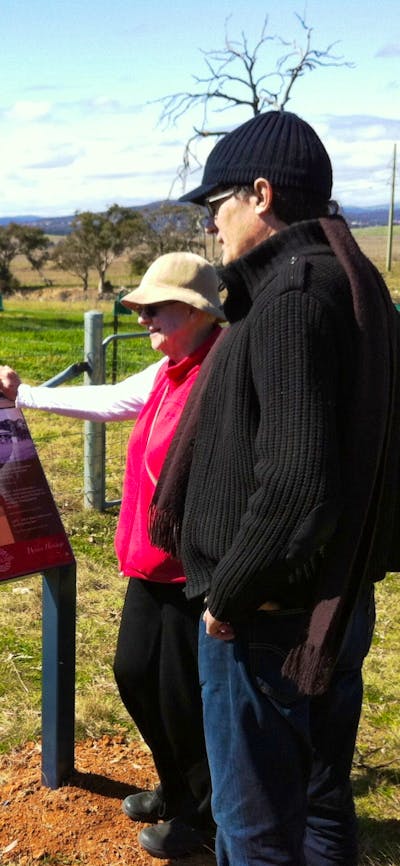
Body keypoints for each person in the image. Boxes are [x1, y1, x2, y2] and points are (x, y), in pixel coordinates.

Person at [148, 111, 400, 865]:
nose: (211, 224)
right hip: (332, 599)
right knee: (322, 804)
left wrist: (228, 594)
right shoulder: (353, 279)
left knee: (252, 827)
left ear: (260, 195)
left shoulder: (290, 297)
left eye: (215, 202)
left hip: (268, 621)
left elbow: (296, 479)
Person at [0, 251, 226, 859]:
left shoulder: (221, 373)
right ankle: (175, 784)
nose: (143, 317)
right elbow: (110, 401)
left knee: (183, 700)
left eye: (156, 308)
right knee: (133, 675)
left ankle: (203, 819)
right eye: (140, 309)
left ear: (198, 311)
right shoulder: (169, 370)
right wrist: (24, 397)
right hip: (148, 564)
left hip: (196, 573)